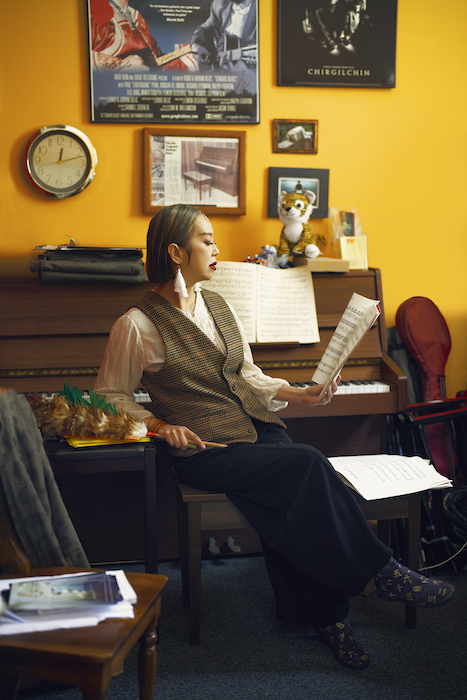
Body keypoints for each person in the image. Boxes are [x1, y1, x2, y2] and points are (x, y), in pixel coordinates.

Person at [94, 204, 455, 671]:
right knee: (306, 464)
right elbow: (107, 397)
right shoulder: (136, 325)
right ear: (176, 253)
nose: (217, 248)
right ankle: (377, 573)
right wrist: (162, 427)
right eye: (206, 239)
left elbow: (247, 375)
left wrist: (300, 395)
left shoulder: (219, 305)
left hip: (254, 426)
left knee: (288, 500)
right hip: (205, 449)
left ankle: (324, 617)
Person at [90, 0, 163, 72]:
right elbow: (81, 56)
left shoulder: (136, 16)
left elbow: (156, 57)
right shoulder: (94, 13)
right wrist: (120, 65)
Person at [191, 0, 256, 70]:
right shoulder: (220, 3)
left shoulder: (264, 8)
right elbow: (206, 28)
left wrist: (248, 73)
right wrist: (198, 45)